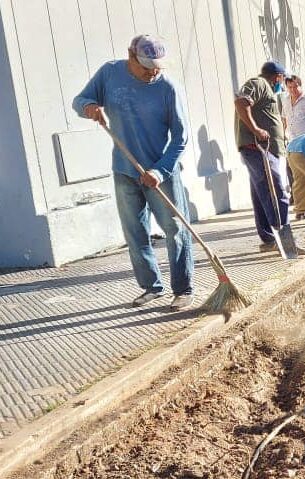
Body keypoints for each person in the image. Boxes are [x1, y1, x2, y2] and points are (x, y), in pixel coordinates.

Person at [73, 35, 195, 311]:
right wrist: (89, 107)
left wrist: (160, 170)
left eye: (157, 67)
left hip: (161, 173)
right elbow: (80, 100)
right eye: (146, 66)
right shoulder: (110, 73)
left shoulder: (168, 89)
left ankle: (183, 289)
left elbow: (181, 138)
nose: (153, 72)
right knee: (135, 233)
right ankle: (151, 287)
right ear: (130, 56)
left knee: (175, 230)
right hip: (125, 171)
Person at [234, 61, 305, 255]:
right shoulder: (259, 83)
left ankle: (269, 239)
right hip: (259, 149)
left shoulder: (266, 88)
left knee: (262, 195)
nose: (282, 85)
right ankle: (286, 241)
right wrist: (256, 129)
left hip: (262, 150)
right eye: (283, 80)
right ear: (278, 77)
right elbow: (241, 102)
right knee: (276, 192)